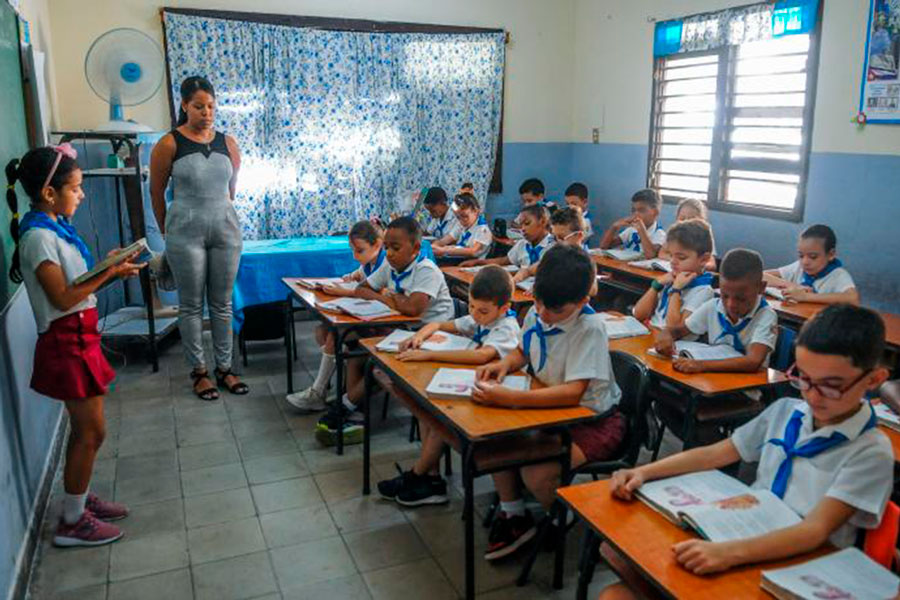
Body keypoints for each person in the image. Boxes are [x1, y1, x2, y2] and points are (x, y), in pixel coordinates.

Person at [598, 304, 892, 599]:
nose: (812, 395)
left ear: (873, 380)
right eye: (803, 378)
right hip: (748, 533)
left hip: (801, 567)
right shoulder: (786, 411)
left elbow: (814, 531)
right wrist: (642, 471)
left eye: (831, 386)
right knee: (616, 590)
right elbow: (714, 454)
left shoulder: (870, 452)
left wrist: (727, 554)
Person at [6, 146, 145, 546]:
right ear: (49, 193)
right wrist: (110, 272)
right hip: (66, 343)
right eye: (76, 187)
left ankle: (78, 499)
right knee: (92, 432)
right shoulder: (37, 238)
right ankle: (71, 522)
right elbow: (64, 298)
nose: (82, 194)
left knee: (87, 430)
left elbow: (78, 289)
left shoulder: (56, 229)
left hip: (80, 337)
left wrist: (110, 268)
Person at [474, 245, 624, 560]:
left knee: (536, 473)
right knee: (496, 441)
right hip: (549, 409)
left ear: (584, 301)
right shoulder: (539, 312)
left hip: (592, 420)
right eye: (539, 302)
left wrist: (514, 398)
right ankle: (514, 513)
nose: (543, 313)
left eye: (555, 310)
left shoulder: (589, 328)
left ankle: (560, 519)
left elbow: (573, 393)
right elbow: (523, 351)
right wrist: (505, 365)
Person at [377, 266, 520, 506]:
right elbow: (440, 325)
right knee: (428, 411)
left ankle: (418, 474)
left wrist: (428, 356)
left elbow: (483, 356)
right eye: (472, 306)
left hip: (496, 399)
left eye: (482, 310)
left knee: (439, 419)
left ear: (504, 308)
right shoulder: (483, 318)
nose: (475, 314)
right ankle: (430, 479)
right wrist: (419, 337)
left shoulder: (506, 326)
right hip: (469, 385)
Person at [315, 216, 455, 443]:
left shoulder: (426, 270)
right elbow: (362, 289)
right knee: (355, 345)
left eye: (396, 248)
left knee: (377, 363)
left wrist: (389, 299)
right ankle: (354, 411)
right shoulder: (390, 265)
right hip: (401, 330)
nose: (389, 253)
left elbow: (413, 309)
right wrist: (387, 297)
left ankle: (345, 407)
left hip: (432, 336)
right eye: (387, 247)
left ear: (416, 248)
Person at [150, 75, 247, 401]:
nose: (206, 113)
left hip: (224, 229)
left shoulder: (228, 142)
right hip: (184, 232)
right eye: (198, 106)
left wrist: (222, 213)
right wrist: (167, 229)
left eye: (210, 106)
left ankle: (225, 367)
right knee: (191, 305)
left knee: (222, 304)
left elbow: (231, 190)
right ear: (184, 105)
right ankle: (199, 372)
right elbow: (156, 190)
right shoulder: (169, 143)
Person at [286, 220, 385, 411]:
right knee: (321, 331)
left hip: (383, 326)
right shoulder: (369, 263)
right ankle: (336, 385)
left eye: (360, 251)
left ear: (378, 245)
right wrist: (350, 277)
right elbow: (359, 276)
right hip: (370, 318)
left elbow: (371, 290)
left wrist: (340, 291)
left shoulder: (385, 262)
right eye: (352, 250)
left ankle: (319, 391)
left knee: (335, 335)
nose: (355, 256)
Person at [655, 248, 777, 374]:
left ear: (761, 288)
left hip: (745, 388)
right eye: (724, 295)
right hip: (712, 380)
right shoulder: (714, 306)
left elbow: (753, 362)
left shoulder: (766, 315)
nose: (730, 305)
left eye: (740, 299)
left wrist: (701, 365)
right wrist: (665, 335)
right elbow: (678, 330)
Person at [632, 219, 714, 332]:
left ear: (704, 259)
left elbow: (673, 329)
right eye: (671, 255)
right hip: (651, 334)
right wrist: (656, 285)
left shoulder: (703, 291)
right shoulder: (672, 278)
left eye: (681, 258)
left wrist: (676, 290)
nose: (672, 262)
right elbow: (638, 314)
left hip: (673, 344)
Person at [765, 224, 859, 306]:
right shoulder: (798, 267)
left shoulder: (838, 275)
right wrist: (793, 286)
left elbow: (853, 299)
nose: (805, 262)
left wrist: (806, 296)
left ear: (831, 254)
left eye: (813, 257)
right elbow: (760, 275)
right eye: (801, 255)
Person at [460, 204, 553, 273]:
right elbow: (503, 261)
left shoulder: (554, 248)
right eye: (521, 225)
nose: (523, 229)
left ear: (543, 221)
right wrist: (477, 262)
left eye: (527, 223)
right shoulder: (522, 244)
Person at [599, 189, 666, 259]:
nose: (636, 214)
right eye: (633, 210)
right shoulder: (631, 230)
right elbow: (604, 247)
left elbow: (650, 255)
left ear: (655, 212)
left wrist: (642, 231)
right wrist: (614, 227)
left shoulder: (659, 234)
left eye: (641, 210)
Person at [658, 198, 716, 271]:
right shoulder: (675, 232)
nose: (686, 222)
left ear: (701, 220)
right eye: (682, 219)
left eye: (691, 219)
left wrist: (695, 265)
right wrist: (679, 260)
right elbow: (661, 253)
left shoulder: (703, 235)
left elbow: (712, 264)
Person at [432, 193, 493, 259]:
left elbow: (473, 251)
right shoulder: (461, 224)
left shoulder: (483, 229)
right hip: (459, 258)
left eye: (465, 216)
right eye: (458, 217)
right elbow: (444, 240)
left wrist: (444, 250)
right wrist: (433, 246)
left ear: (476, 211)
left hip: (474, 262)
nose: (461, 221)